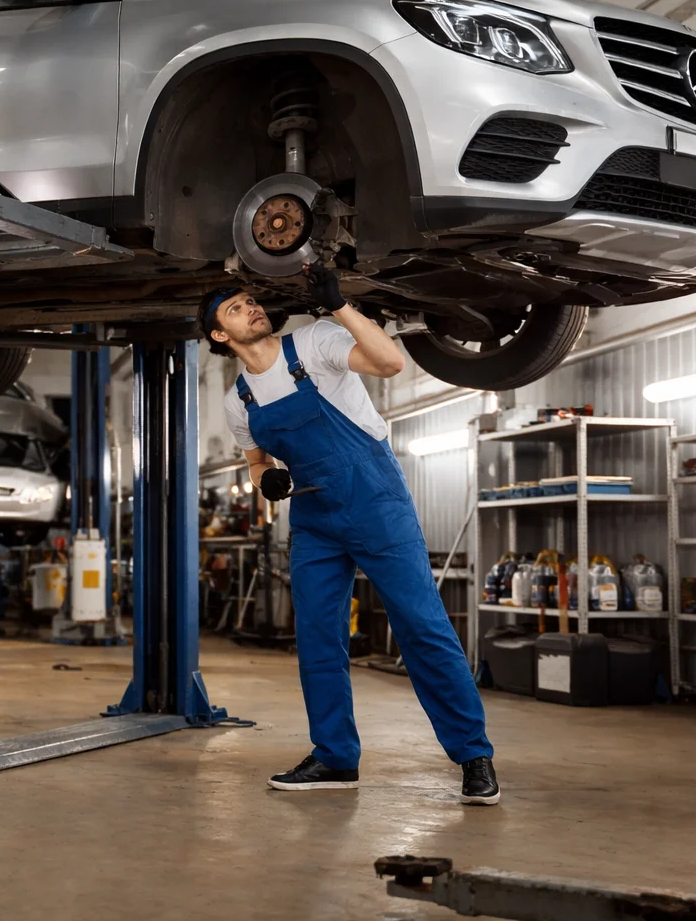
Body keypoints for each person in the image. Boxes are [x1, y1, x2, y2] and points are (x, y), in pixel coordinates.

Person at [200, 268, 498, 805]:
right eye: (236, 309)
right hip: (313, 516)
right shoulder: (237, 400)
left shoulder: (314, 341)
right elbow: (255, 460)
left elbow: (389, 363)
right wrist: (264, 477)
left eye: (251, 300)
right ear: (220, 336)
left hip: (375, 500)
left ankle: (474, 755)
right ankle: (335, 757)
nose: (251, 309)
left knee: (422, 627)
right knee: (317, 639)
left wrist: (339, 306)